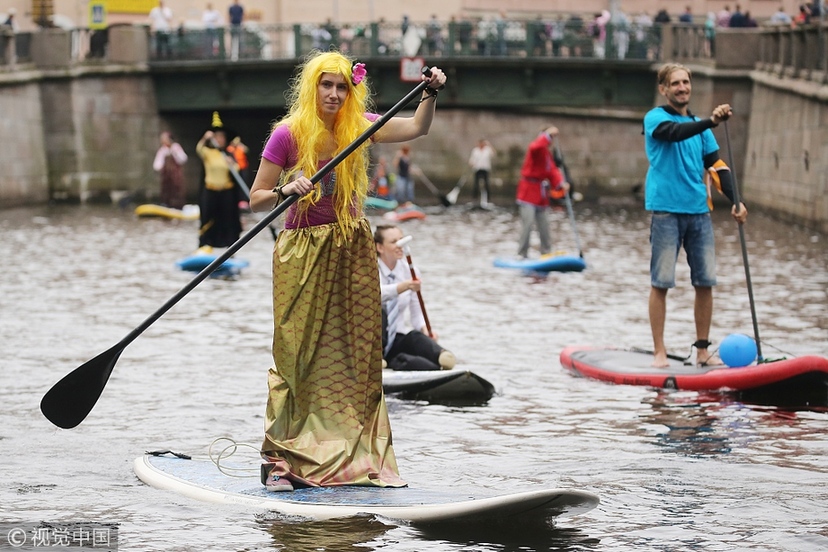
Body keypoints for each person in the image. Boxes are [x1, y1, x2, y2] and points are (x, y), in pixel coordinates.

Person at [248, 51, 446, 492]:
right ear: (312, 87)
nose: (335, 94)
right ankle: (279, 460)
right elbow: (256, 198)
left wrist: (429, 92)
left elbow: (418, 126)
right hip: (302, 251)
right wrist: (286, 188)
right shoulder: (287, 135)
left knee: (354, 357)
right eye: (327, 85)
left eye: (342, 86)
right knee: (296, 356)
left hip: (351, 246)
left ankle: (351, 457)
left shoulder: (360, 126)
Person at [643, 63, 748, 369]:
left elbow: (717, 166)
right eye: (675, 83)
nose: (682, 88)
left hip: (699, 213)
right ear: (664, 89)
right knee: (661, 283)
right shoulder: (655, 119)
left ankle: (702, 350)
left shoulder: (700, 128)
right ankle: (659, 352)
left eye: (686, 82)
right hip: (665, 212)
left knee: (705, 282)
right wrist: (708, 122)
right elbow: (674, 133)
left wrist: (737, 201)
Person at [375, 225, 456, 371]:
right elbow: (373, 295)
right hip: (372, 342)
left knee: (416, 338)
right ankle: (375, 361)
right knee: (381, 313)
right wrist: (402, 287)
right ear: (380, 247)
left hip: (396, 340)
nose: (400, 245)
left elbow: (416, 312)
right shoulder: (370, 269)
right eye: (393, 242)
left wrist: (425, 329)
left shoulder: (410, 271)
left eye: (401, 240)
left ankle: (442, 357)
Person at [515, 126, 569, 258]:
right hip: (528, 193)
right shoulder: (536, 149)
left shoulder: (547, 155)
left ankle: (546, 251)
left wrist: (562, 183)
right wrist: (548, 134)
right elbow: (535, 146)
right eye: (547, 138)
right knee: (527, 225)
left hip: (541, 195)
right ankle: (522, 254)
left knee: (544, 226)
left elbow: (552, 172)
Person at [195, 111, 242, 252]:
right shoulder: (208, 153)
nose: (220, 139)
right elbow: (199, 149)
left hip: (226, 191)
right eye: (217, 136)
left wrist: (231, 163)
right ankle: (205, 244)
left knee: (227, 218)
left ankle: (230, 246)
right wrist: (205, 138)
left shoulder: (228, 154)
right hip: (211, 191)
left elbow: (237, 170)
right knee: (208, 217)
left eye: (222, 137)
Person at [152, 131, 188, 209]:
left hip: (176, 175)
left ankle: (178, 206)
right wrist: (158, 167)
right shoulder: (162, 150)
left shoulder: (176, 147)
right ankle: (165, 204)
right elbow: (157, 164)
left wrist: (174, 152)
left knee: (177, 190)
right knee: (166, 190)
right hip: (166, 176)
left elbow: (183, 159)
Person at [468, 138, 495, 207]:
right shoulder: (475, 151)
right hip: (477, 169)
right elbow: (471, 160)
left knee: (486, 184)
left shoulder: (487, 150)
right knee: (476, 184)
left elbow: (493, 154)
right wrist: (471, 163)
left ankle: (488, 199)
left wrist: (489, 145)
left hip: (485, 169)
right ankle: (475, 199)